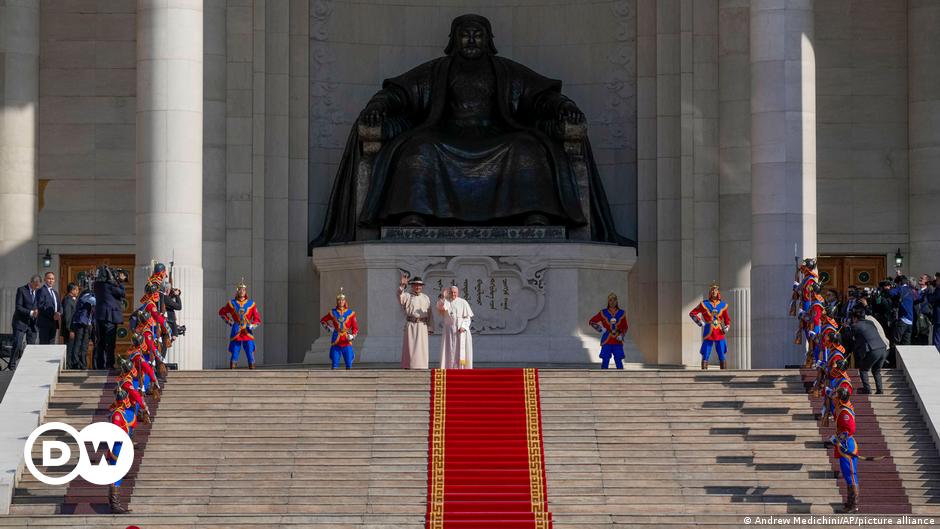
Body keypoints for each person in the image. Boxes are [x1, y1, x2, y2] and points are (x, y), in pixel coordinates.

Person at [106, 385, 137, 514]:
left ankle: (115, 503)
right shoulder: (117, 414)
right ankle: (115, 504)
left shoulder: (122, 412)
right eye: (126, 399)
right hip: (117, 446)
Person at [829, 386, 860, 513]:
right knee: (847, 475)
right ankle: (850, 503)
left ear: (840, 399)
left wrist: (836, 439)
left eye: (835, 396)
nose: (833, 398)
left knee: (851, 475)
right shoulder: (841, 408)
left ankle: (854, 505)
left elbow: (848, 430)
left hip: (847, 447)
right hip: (843, 446)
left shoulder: (845, 412)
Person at [218, 279, 262, 369]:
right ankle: (232, 369)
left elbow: (257, 319)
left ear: (245, 291)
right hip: (236, 329)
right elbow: (222, 312)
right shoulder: (232, 303)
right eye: (240, 289)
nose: (242, 291)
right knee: (235, 350)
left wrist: (253, 325)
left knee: (250, 350)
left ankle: (252, 369)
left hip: (247, 330)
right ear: (237, 291)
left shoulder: (251, 304)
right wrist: (229, 321)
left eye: (243, 290)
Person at [689, 283, 731, 370]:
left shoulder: (723, 305)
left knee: (721, 352)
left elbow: (727, 318)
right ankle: (704, 373)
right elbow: (692, 313)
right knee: (706, 352)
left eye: (715, 290)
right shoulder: (704, 304)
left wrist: (727, 326)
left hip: (719, 330)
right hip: (709, 330)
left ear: (718, 292)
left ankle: (724, 373)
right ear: (710, 292)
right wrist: (700, 322)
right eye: (712, 290)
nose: (713, 292)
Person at [398, 274, 434, 369]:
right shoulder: (407, 296)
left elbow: (430, 313)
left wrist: (430, 327)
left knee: (422, 347)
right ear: (412, 286)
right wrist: (402, 286)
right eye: (416, 285)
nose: (418, 287)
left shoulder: (426, 297)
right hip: (411, 325)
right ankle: (409, 365)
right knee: (411, 346)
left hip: (423, 325)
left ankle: (422, 366)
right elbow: (399, 295)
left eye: (420, 285)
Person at [94, 266, 126, 370]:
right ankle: (109, 364)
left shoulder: (96, 285)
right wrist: (120, 281)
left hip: (99, 316)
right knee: (110, 342)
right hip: (109, 317)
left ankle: (100, 365)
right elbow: (122, 293)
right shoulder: (110, 285)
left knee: (100, 342)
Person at [320, 288, 359, 370]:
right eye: (339, 300)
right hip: (336, 339)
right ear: (337, 301)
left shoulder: (351, 313)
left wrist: (352, 336)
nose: (341, 302)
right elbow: (323, 320)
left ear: (345, 301)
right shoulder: (333, 312)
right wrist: (329, 328)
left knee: (349, 362)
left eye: (342, 300)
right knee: (334, 362)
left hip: (346, 339)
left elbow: (355, 327)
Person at [9, 275, 41, 371]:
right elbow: (18, 307)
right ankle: (12, 365)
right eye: (35, 285)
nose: (37, 287)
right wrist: (31, 312)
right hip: (20, 322)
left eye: (38, 286)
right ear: (31, 282)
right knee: (17, 344)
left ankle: (29, 367)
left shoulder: (38, 291)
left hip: (32, 324)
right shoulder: (22, 290)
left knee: (31, 347)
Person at [589, 292, 629, 369]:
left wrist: (621, 335)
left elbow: (625, 327)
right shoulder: (603, 312)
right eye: (610, 300)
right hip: (607, 340)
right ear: (608, 301)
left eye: (614, 300)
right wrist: (601, 329)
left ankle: (621, 376)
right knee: (605, 359)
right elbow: (592, 321)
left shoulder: (622, 313)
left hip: (617, 340)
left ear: (616, 301)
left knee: (618, 359)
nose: (612, 302)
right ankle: (604, 376)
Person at [438, 285, 474, 369]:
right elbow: (440, 307)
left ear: (458, 293)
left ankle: (462, 368)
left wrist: (464, 326)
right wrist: (443, 297)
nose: (453, 294)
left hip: (460, 330)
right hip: (449, 331)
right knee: (449, 350)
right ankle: (449, 367)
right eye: (451, 292)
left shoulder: (463, 302)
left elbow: (468, 318)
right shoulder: (446, 301)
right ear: (449, 293)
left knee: (461, 350)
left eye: (455, 292)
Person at [68, 285, 96, 370]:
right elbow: (95, 301)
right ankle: (75, 363)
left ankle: (83, 364)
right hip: (80, 323)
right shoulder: (85, 295)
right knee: (78, 343)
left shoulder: (90, 295)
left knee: (85, 345)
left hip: (87, 323)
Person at [36, 271, 61, 344]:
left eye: (52, 279)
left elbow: (59, 305)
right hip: (45, 323)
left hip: (54, 323)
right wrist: (53, 315)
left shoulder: (55, 292)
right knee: (44, 344)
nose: (51, 281)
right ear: (45, 279)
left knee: (52, 344)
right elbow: (40, 306)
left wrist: (59, 313)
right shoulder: (41, 291)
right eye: (49, 278)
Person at [61, 283, 80, 368]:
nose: (78, 291)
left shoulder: (73, 299)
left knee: (73, 348)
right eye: (76, 290)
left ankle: (72, 364)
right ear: (72, 290)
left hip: (74, 329)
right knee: (69, 348)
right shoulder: (67, 300)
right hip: (70, 330)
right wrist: (70, 330)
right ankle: (68, 366)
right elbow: (67, 316)